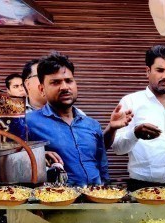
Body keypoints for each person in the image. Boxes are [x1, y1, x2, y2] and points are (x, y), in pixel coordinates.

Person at [110, 45, 165, 191]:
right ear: (147, 71)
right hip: (140, 186)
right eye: (160, 70)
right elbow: (117, 148)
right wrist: (135, 134)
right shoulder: (130, 102)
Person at [27, 52, 109, 186]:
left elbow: (102, 166)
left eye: (69, 81)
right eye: (55, 82)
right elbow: (12, 161)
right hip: (57, 202)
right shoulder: (28, 123)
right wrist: (38, 156)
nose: (65, 87)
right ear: (42, 89)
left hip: (96, 200)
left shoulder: (92, 124)